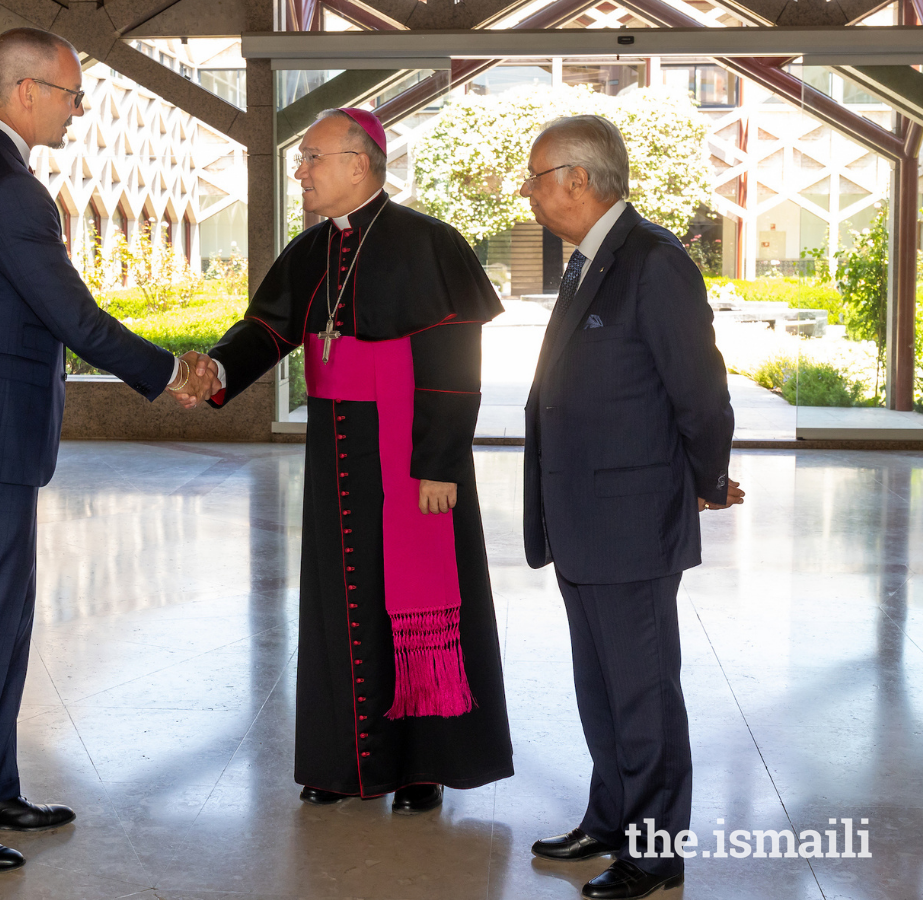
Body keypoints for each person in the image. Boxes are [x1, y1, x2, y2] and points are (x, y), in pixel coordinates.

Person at [0, 27, 215, 873]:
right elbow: (73, 316)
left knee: (2, 614)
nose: (77, 109)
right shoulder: (11, 191)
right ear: (24, 92)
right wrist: (170, 371)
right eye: (70, 94)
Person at [187, 108, 514, 814]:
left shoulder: (430, 243)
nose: (300, 171)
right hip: (336, 442)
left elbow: (456, 364)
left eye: (312, 158)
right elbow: (268, 328)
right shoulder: (312, 250)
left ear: (359, 164)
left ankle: (421, 763)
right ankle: (341, 762)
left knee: (412, 598)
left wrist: (437, 463)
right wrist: (216, 372)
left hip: (408, 453)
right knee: (340, 601)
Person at [519, 115, 743, 900]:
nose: (531, 192)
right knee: (602, 688)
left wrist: (708, 480)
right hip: (580, 517)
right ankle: (609, 819)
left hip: (629, 520)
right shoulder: (589, 262)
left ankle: (654, 855)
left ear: (580, 179)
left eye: (539, 177)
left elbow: (701, 392)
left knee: (643, 695)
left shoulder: (654, 262)